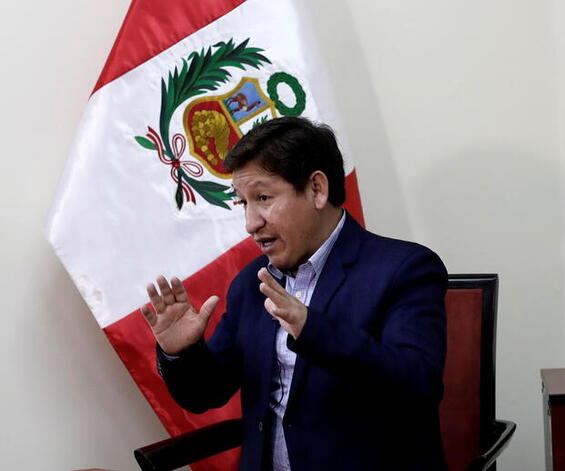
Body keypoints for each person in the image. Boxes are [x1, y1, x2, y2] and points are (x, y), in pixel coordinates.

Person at [140, 117, 448, 471]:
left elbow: (417, 386)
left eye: (264, 198)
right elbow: (206, 394)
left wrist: (310, 327)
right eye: (243, 202)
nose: (251, 222)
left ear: (317, 189)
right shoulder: (251, 284)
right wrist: (181, 353)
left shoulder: (404, 269)